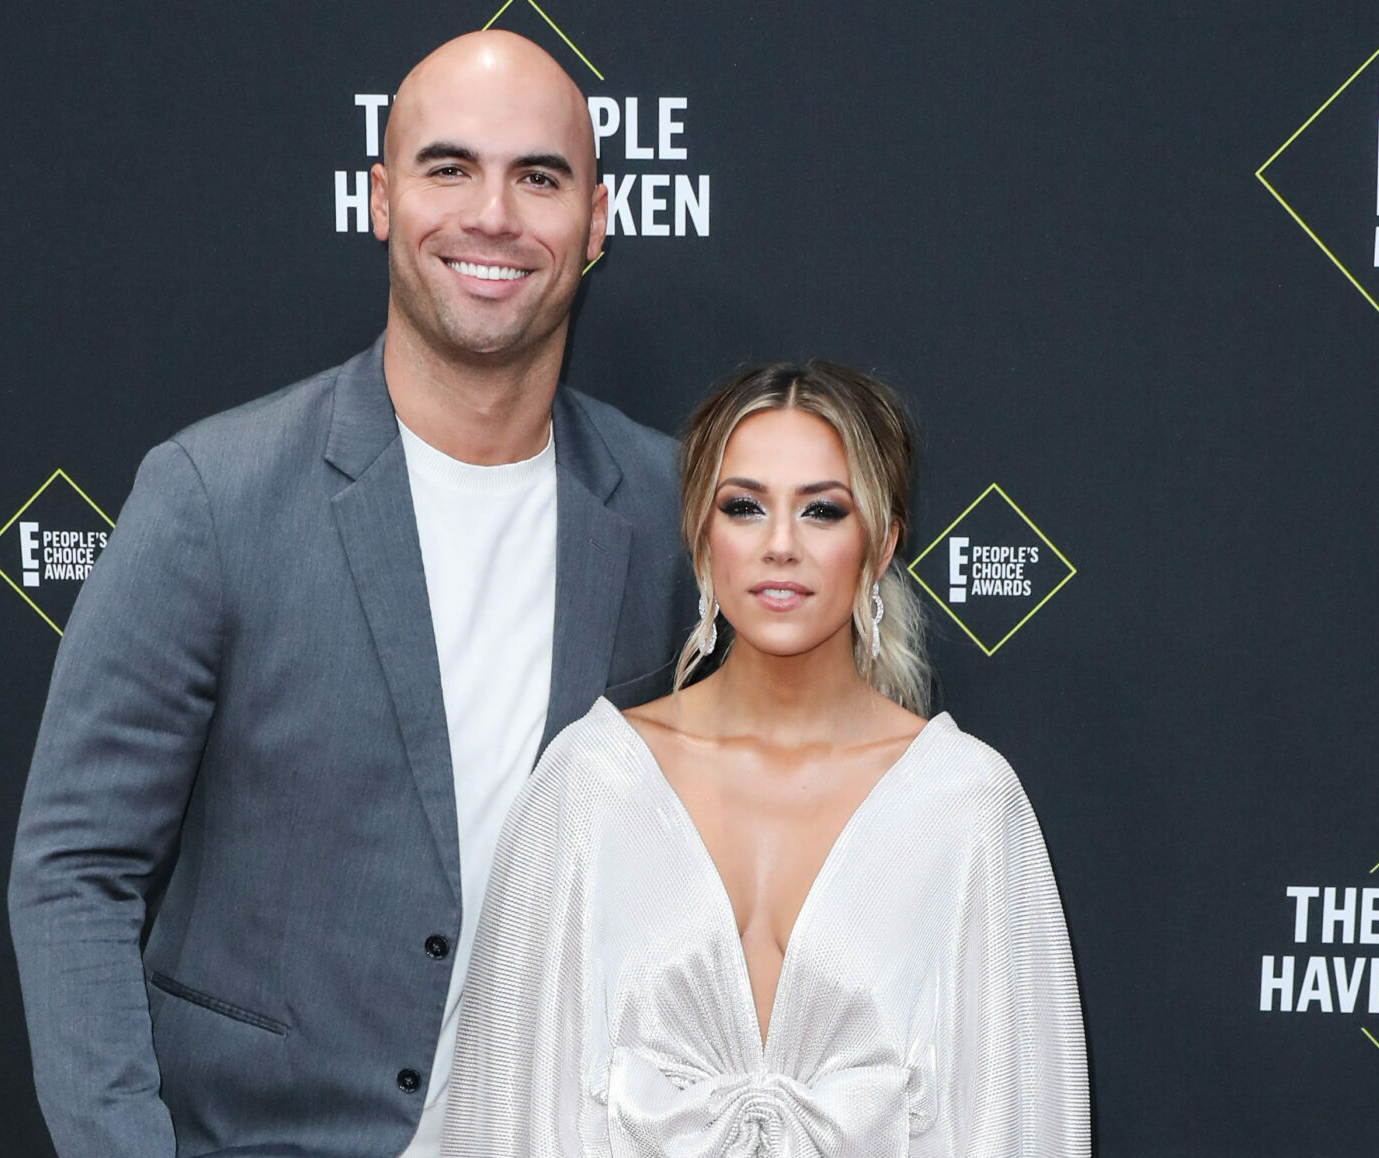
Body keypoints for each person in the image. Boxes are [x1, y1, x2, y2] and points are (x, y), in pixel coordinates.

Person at [7, 30, 690, 1158]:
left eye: (539, 176)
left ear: (598, 221)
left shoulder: (673, 511)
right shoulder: (210, 499)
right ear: (379, 200)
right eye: (448, 167)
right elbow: (75, 870)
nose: (492, 216)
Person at [441, 361, 1090, 1156]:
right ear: (700, 537)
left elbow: (1020, 1126)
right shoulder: (589, 786)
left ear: (880, 544)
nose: (780, 545)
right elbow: (501, 1117)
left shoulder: (963, 806)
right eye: (744, 507)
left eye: (822, 510)